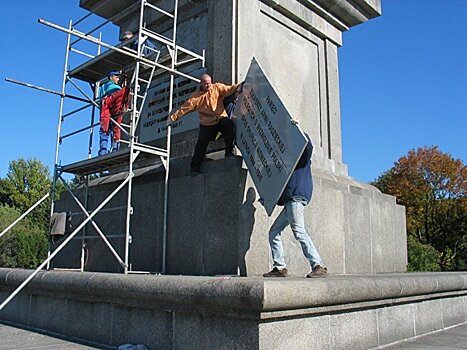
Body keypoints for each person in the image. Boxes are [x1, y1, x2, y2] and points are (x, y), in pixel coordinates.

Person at [263, 134, 327, 278]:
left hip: (296, 199)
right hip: (290, 201)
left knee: (299, 231)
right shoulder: (288, 165)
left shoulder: (302, 160)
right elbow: (284, 190)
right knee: (274, 232)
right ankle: (279, 267)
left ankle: (318, 265)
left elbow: (308, 147)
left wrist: (300, 132)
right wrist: (270, 200)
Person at [168, 74, 242, 176]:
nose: (209, 85)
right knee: (201, 142)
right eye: (206, 84)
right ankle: (194, 167)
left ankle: (229, 151)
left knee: (229, 125)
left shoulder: (216, 87)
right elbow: (184, 109)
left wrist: (238, 86)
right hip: (207, 124)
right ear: (201, 83)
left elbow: (228, 89)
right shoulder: (195, 98)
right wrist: (172, 118)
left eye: (210, 83)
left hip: (220, 118)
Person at [98, 71, 127, 156]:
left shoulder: (105, 87)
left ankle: (110, 150)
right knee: (107, 129)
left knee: (113, 129)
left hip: (111, 109)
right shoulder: (109, 86)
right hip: (108, 108)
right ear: (111, 77)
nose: (118, 79)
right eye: (117, 77)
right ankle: (108, 150)